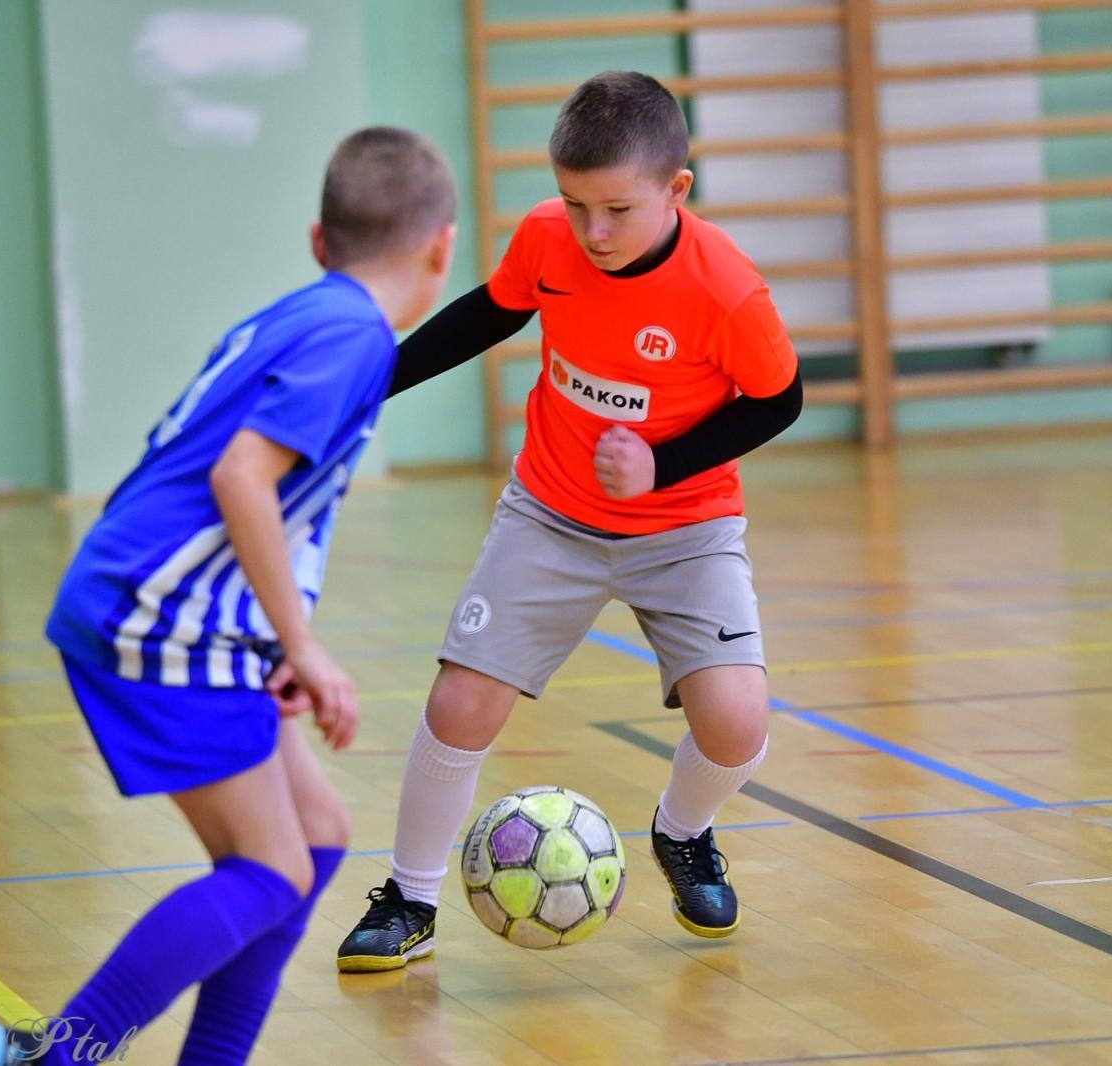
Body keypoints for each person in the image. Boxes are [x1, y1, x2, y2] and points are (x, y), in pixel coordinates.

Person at [0, 126, 457, 1065]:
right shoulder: (355, 336)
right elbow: (241, 479)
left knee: (314, 840)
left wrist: (277, 644)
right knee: (269, 868)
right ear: (442, 247)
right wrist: (304, 646)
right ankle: (53, 1056)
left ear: (322, 243)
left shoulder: (308, 313)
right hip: (159, 618)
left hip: (177, 611)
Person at [337, 70, 802, 973]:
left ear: (677, 191)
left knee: (737, 723)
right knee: (460, 700)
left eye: (617, 209)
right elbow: (490, 313)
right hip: (550, 515)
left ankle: (683, 831)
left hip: (687, 528)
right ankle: (411, 898)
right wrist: (374, 381)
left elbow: (778, 402)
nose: (593, 232)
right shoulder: (551, 241)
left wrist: (660, 465)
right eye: (573, 203)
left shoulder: (727, 290)